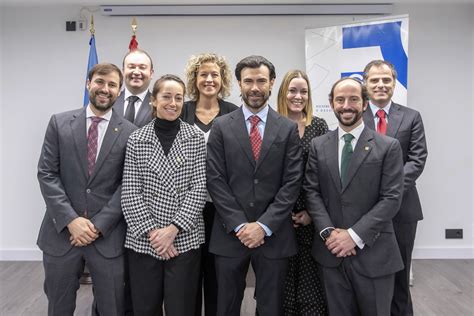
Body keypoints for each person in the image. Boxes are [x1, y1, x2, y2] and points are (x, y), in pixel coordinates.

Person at [37, 63, 137, 315]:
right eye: (100, 81)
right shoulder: (59, 123)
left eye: (113, 84)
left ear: (120, 90)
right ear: (88, 84)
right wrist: (72, 220)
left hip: (107, 236)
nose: (105, 89)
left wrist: (98, 225)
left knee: (111, 307)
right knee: (59, 306)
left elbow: (129, 184)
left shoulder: (130, 132)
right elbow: (47, 173)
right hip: (62, 233)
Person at [206, 55, 303, 316]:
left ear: (272, 83)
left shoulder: (287, 128)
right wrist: (240, 225)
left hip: (274, 234)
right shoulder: (221, 127)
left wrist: (263, 226)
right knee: (226, 306)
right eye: (248, 81)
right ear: (239, 83)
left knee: (271, 307)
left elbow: (292, 182)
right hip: (229, 233)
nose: (255, 87)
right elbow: (215, 180)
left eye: (261, 80)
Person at [304, 77, 405, 315]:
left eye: (353, 99)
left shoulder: (388, 146)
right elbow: (312, 191)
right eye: (340, 99)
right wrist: (329, 233)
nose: (346, 105)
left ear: (365, 104)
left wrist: (353, 235)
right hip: (331, 252)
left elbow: (391, 198)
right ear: (331, 103)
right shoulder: (318, 145)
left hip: (375, 253)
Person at [121, 74, 207, 316]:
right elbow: (130, 191)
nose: (173, 103)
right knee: (145, 307)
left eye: (178, 98)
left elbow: (199, 188)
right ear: (154, 101)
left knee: (182, 307)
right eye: (166, 97)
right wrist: (155, 234)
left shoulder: (196, 137)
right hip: (144, 240)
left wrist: (172, 230)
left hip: (184, 237)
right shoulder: (137, 139)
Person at [362, 60, 428, 316]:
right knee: (368, 275)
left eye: (386, 80)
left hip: (403, 210)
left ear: (394, 83)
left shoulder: (411, 117)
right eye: (374, 80)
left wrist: (388, 189)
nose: (380, 85)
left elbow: (417, 159)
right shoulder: (355, 116)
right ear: (365, 84)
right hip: (364, 210)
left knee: (400, 275)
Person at [181, 53, 238, 316]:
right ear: (195, 78)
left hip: (221, 208)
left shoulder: (234, 114)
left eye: (215, 74)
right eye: (203, 74)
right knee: (189, 275)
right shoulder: (181, 110)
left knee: (218, 275)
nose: (209, 79)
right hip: (186, 208)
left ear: (223, 79)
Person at [276, 70, 328, 316]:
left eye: (303, 91)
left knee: (310, 286)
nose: (298, 96)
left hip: (310, 217)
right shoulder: (271, 125)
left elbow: (325, 176)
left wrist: (311, 213)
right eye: (293, 90)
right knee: (280, 284)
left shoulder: (318, 126)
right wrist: (280, 213)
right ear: (283, 92)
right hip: (278, 218)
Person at [113, 48, 155, 127]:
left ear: (151, 73)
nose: (136, 72)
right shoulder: (111, 101)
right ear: (123, 71)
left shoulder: (158, 105)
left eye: (142, 67)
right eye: (131, 67)